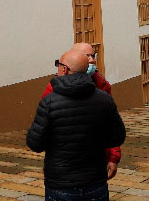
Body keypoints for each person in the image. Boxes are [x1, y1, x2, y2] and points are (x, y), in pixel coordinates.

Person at [27, 50, 125, 201]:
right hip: (95, 180)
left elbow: (35, 144)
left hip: (61, 183)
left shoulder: (50, 102)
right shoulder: (104, 99)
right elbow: (117, 137)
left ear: (64, 69)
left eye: (58, 65)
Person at [41, 43, 121, 180]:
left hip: (95, 163)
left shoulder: (102, 85)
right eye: (87, 56)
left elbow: (111, 125)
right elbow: (43, 129)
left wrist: (113, 157)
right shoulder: (54, 89)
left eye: (93, 55)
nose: (92, 60)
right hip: (65, 166)